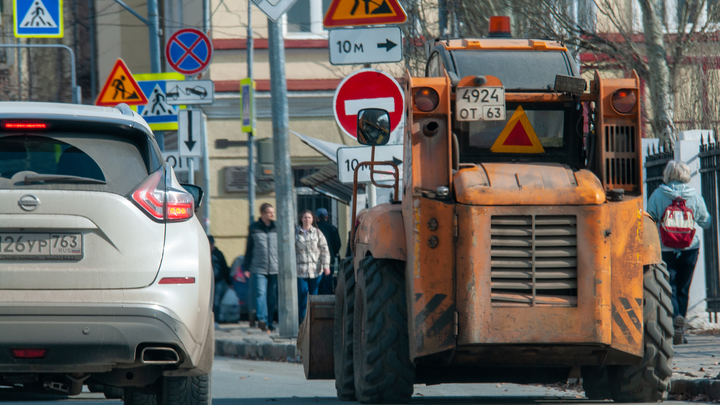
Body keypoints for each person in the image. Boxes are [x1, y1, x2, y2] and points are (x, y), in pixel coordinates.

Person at [648, 161, 711, 345]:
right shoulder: (694, 196)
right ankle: (680, 326)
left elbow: (649, 218)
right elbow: (705, 222)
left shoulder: (659, 194)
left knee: (669, 287)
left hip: (665, 248)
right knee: (684, 288)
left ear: (667, 173)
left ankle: (674, 317)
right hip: (689, 248)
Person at [243, 203, 279, 332]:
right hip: (258, 268)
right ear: (263, 214)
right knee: (260, 294)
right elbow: (249, 249)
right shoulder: (254, 228)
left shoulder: (277, 228)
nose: (272, 215)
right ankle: (262, 319)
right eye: (269, 212)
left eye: (273, 212)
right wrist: (246, 267)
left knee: (272, 296)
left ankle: (269, 323)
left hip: (275, 268)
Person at [295, 210, 330, 323]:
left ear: (312, 219)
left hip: (315, 269)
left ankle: (312, 320)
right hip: (300, 270)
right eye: (305, 217)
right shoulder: (295, 233)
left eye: (309, 218)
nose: (307, 220)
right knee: (303, 294)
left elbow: (324, 250)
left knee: (314, 296)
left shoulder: (318, 233)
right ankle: (303, 320)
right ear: (301, 219)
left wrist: (326, 266)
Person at [316, 208, 342, 294]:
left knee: (317, 286)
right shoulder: (332, 229)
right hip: (329, 261)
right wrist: (333, 254)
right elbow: (338, 245)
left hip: (315, 262)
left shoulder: (314, 230)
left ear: (316, 217)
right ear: (327, 217)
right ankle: (326, 306)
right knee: (327, 285)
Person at [209, 235, 232, 327]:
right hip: (207, 282)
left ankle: (215, 321)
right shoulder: (203, 253)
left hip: (218, 282)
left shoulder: (218, 254)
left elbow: (225, 269)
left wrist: (229, 282)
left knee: (216, 302)